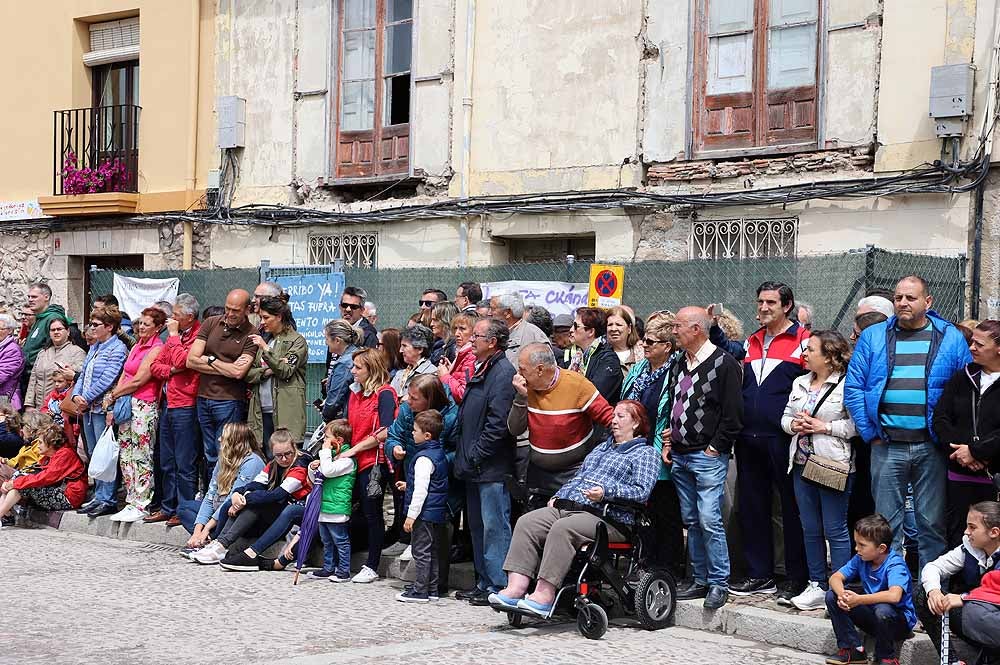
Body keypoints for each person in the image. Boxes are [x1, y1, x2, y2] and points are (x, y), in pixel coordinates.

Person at [845, 275, 972, 570]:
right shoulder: (873, 336)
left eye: (910, 298)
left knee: (931, 525)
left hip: (931, 446)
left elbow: (965, 390)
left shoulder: (949, 337)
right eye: (898, 297)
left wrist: (949, 436)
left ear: (928, 302)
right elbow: (855, 388)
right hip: (886, 445)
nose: (902, 303)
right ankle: (893, 591)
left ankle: (929, 594)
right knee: (887, 527)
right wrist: (869, 432)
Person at [488, 400, 659, 616]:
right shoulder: (601, 448)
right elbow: (578, 478)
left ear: (636, 423)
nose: (613, 421)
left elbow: (641, 492)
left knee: (563, 528)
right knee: (528, 522)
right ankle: (516, 589)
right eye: (613, 415)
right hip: (572, 508)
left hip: (610, 518)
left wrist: (606, 491)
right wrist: (558, 496)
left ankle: (544, 595)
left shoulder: (645, 454)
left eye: (621, 417)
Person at [732, 281, 811, 601]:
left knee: (793, 509)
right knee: (753, 508)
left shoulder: (804, 341)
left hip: (785, 438)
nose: (763, 308)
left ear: (787, 306)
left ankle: (797, 577)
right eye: (760, 302)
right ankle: (759, 573)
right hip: (748, 436)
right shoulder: (751, 341)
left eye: (771, 303)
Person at [667, 307, 744, 610]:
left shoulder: (724, 364)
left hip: (706, 455)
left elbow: (733, 414)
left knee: (709, 518)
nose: (674, 331)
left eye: (678, 326)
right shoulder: (678, 363)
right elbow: (674, 402)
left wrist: (715, 448)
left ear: (697, 329)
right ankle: (698, 578)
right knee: (691, 520)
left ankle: (718, 582)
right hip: (680, 454)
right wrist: (668, 439)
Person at [781, 331, 857, 611]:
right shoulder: (800, 382)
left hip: (832, 465)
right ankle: (816, 584)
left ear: (829, 356)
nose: (804, 353)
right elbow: (785, 417)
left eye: (810, 349)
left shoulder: (847, 385)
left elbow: (856, 426)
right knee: (809, 527)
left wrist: (824, 427)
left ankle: (839, 589)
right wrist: (794, 426)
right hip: (800, 463)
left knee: (835, 529)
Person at [453, 318, 517, 605]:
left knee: (494, 526)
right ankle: (483, 581)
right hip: (473, 465)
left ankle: (498, 584)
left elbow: (498, 424)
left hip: (490, 467)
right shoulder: (483, 367)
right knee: (477, 527)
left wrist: (476, 454)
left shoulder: (502, 373)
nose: (471, 340)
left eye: (477, 336)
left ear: (492, 342)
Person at [620, 312, 685, 576]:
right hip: (633, 448)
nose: (644, 345)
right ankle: (645, 559)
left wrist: (663, 445)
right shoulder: (638, 370)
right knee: (642, 511)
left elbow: (672, 413)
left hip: (659, 451)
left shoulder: (675, 372)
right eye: (644, 340)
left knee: (664, 510)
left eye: (650, 341)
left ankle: (667, 565)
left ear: (667, 346)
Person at [193, 429, 311, 569]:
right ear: (272, 453)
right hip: (277, 512)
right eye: (279, 455)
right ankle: (218, 543)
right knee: (231, 503)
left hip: (293, 514)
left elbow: (278, 495)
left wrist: (245, 499)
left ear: (294, 448)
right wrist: (238, 494)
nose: (284, 459)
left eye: (288, 454)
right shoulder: (273, 464)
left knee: (254, 504)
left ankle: (223, 545)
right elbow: (256, 484)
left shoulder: (300, 463)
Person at [383, 374, 459, 590]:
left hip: (440, 484)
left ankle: (432, 585)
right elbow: (393, 435)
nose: (408, 400)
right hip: (414, 476)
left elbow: (456, 450)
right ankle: (427, 584)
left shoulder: (451, 416)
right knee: (422, 541)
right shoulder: (408, 411)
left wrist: (435, 464)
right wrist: (394, 449)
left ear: (430, 399)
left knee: (437, 538)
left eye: (415, 398)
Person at [508, 343, 614, 494]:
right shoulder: (525, 388)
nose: (518, 374)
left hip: (573, 473)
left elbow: (610, 418)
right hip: (537, 473)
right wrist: (521, 397)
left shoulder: (577, 385)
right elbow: (515, 429)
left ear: (539, 369)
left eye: (522, 369)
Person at [934, 321, 1000, 548]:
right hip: (960, 471)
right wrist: (962, 451)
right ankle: (961, 583)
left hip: (994, 475)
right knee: (959, 533)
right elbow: (941, 417)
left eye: (979, 344)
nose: (971, 347)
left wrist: (976, 452)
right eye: (971, 341)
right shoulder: (962, 378)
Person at [825, 514, 917, 665]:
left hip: (897, 624)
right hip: (874, 618)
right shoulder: (861, 559)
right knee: (832, 596)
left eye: (862, 545)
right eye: (856, 543)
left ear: (881, 548)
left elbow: (894, 596)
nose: (856, 549)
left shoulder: (895, 565)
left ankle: (886, 657)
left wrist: (859, 600)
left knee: (883, 610)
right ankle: (853, 649)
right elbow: (835, 578)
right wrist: (843, 596)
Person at [916, 501, 1000, 664]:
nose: (966, 532)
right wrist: (934, 592)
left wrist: (964, 598)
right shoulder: (970, 548)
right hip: (979, 620)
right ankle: (952, 661)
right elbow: (933, 567)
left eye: (972, 527)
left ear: (994, 532)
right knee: (922, 595)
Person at [104, 307, 166, 522]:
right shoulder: (137, 346)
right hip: (127, 402)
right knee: (126, 453)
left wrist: (113, 394)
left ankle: (143, 502)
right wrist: (117, 398)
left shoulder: (157, 348)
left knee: (142, 454)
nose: (140, 327)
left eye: (146, 324)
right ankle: (131, 500)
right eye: (140, 323)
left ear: (158, 328)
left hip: (144, 404)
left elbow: (140, 379)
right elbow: (125, 374)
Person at [187, 289, 257, 482]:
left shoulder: (252, 334)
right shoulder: (211, 323)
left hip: (229, 401)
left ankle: (224, 493)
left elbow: (238, 372)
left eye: (236, 310)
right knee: (209, 453)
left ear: (247, 310)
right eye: (228, 308)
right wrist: (219, 363)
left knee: (225, 453)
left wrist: (208, 360)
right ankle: (211, 493)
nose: (230, 314)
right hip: (204, 397)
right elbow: (191, 360)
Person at [342, 347, 398, 583]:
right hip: (353, 459)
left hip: (373, 461)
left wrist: (355, 449)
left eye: (358, 367)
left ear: (371, 370)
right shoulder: (355, 393)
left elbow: (385, 430)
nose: (353, 371)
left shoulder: (385, 393)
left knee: (373, 512)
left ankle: (372, 564)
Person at [146, 293, 201, 526]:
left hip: (186, 404)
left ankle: (184, 507)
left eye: (176, 316)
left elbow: (183, 361)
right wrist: (172, 370)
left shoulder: (195, 335)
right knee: (166, 460)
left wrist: (175, 337)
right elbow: (156, 366)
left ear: (189, 317)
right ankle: (168, 506)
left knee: (184, 462)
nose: (172, 320)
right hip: (167, 402)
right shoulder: (174, 336)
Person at [72, 305, 128, 518]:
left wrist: (86, 398)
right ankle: (99, 494)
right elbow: (84, 372)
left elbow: (109, 378)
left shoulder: (117, 349)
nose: (92, 328)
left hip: (100, 407)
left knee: (105, 454)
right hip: (87, 407)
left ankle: (108, 499)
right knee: (94, 453)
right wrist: (77, 395)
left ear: (109, 326)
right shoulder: (95, 347)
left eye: (96, 325)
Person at [178, 422, 265, 557]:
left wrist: (206, 528)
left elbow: (232, 499)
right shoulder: (224, 459)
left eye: (223, 437)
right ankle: (203, 540)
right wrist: (197, 530)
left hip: (233, 514)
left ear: (235, 441)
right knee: (184, 508)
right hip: (216, 511)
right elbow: (210, 495)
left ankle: (209, 540)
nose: (219, 439)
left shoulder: (252, 462)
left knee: (227, 507)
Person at [396, 409, 450, 603]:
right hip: (435, 511)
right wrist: (408, 485)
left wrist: (411, 516)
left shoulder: (423, 458)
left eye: (415, 430)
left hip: (423, 513)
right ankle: (432, 588)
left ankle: (420, 590)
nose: (412, 433)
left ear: (426, 435)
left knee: (421, 552)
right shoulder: (437, 453)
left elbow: (422, 491)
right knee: (432, 550)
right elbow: (433, 483)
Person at [246, 297, 308, 451]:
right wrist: (267, 370)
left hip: (285, 411)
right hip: (261, 410)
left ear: (279, 316)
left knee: (286, 454)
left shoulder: (297, 341)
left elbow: (285, 370)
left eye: (266, 317)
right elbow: (248, 373)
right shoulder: (265, 339)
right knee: (265, 455)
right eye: (261, 317)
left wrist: (266, 349)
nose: (262, 322)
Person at [0, 424, 87, 520]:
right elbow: (35, 473)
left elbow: (46, 477)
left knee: (23, 486)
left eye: (40, 442)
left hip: (69, 497)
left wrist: (15, 483)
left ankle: (4, 515)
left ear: (50, 443)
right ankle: (5, 515)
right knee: (18, 480)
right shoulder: (50, 455)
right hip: (58, 490)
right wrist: (11, 483)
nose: (38, 446)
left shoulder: (65, 454)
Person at [311, 418, 356, 582]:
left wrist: (323, 454)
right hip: (324, 506)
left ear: (339, 440)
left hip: (337, 508)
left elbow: (329, 472)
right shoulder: (330, 457)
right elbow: (317, 478)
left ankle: (343, 570)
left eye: (326, 437)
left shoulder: (347, 460)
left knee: (340, 540)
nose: (324, 440)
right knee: (326, 541)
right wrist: (314, 467)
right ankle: (328, 567)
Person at [24, 316, 86, 411]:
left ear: (68, 331)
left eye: (59, 329)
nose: (56, 332)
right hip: (38, 407)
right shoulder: (43, 353)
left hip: (60, 409)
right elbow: (33, 379)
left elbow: (81, 379)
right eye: (53, 330)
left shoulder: (77, 352)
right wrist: (29, 404)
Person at [567, 307, 622, 406]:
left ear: (591, 332)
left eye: (576, 326)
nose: (571, 330)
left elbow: (593, 397)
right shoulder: (575, 356)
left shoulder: (608, 360)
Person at [22, 283, 68, 396]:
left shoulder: (52, 318)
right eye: (29, 297)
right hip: (30, 375)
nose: (30, 300)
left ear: (46, 297)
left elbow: (55, 348)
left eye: (34, 297)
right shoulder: (40, 318)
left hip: (45, 378)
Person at [321, 320, 361, 423]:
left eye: (327, 339)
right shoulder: (357, 352)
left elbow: (335, 398)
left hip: (344, 416)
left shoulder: (344, 363)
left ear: (337, 341)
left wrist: (326, 415)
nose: (326, 343)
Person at [437, 313, 477, 403]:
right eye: (455, 329)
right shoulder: (463, 352)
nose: (456, 334)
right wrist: (451, 370)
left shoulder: (471, 356)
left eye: (462, 329)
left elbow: (463, 394)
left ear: (474, 332)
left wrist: (445, 376)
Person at [390, 324, 437, 400]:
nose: (400, 350)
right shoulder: (399, 374)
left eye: (404, 346)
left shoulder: (432, 373)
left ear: (420, 349)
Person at [606, 306, 643, 377]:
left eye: (618, 325)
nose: (613, 329)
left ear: (629, 328)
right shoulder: (600, 356)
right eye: (610, 325)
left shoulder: (642, 354)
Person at [0, 313, 24, 409]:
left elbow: (2, 375)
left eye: (1, 329)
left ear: (10, 330)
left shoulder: (12, 350)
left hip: (5, 400)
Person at [429, 301, 459, 365]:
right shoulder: (440, 346)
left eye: (435, 320)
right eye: (431, 320)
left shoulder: (455, 349)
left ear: (446, 320)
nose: (431, 324)